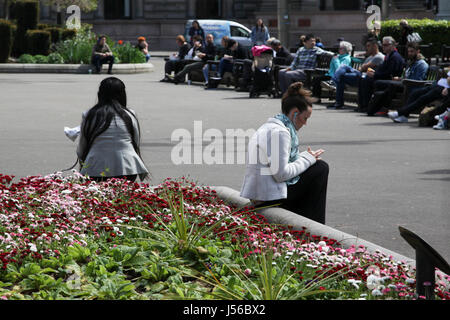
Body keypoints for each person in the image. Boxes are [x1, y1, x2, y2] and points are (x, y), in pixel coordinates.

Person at [240, 82, 329, 224]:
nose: (305, 123)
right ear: (294, 113)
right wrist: (307, 159)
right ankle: (314, 224)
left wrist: (306, 158)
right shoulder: (280, 133)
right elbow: (281, 174)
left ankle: (308, 220)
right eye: (305, 118)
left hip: (263, 193)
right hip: (268, 197)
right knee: (321, 168)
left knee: (315, 166)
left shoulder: (271, 126)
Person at [76, 77, 149, 182]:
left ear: (100, 94)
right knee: (123, 196)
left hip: (96, 167)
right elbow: (135, 142)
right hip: (127, 166)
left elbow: (82, 147)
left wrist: (83, 162)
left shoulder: (89, 114)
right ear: (122, 94)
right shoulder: (130, 114)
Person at [366, 42, 429, 116]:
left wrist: (402, 80)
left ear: (418, 51)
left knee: (391, 85)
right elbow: (406, 76)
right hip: (404, 83)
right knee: (380, 83)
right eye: (409, 51)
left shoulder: (421, 64)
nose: (410, 53)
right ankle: (376, 107)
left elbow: (418, 79)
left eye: (412, 51)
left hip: (411, 86)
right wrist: (399, 78)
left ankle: (384, 107)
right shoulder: (411, 62)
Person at [325, 37, 385, 109]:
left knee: (343, 68)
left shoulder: (379, 57)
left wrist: (363, 67)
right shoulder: (371, 57)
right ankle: (338, 100)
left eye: (368, 46)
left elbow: (364, 68)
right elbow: (362, 68)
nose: (366, 48)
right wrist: (362, 67)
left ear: (375, 46)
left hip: (366, 77)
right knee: (342, 76)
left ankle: (334, 84)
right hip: (361, 75)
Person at [356, 36, 404, 112]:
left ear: (392, 45)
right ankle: (362, 105)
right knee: (362, 79)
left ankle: (366, 106)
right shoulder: (389, 55)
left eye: (386, 45)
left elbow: (389, 72)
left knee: (368, 80)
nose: (383, 47)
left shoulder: (395, 57)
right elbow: (382, 69)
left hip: (391, 79)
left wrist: (375, 75)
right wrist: (374, 73)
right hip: (384, 77)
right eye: (383, 45)